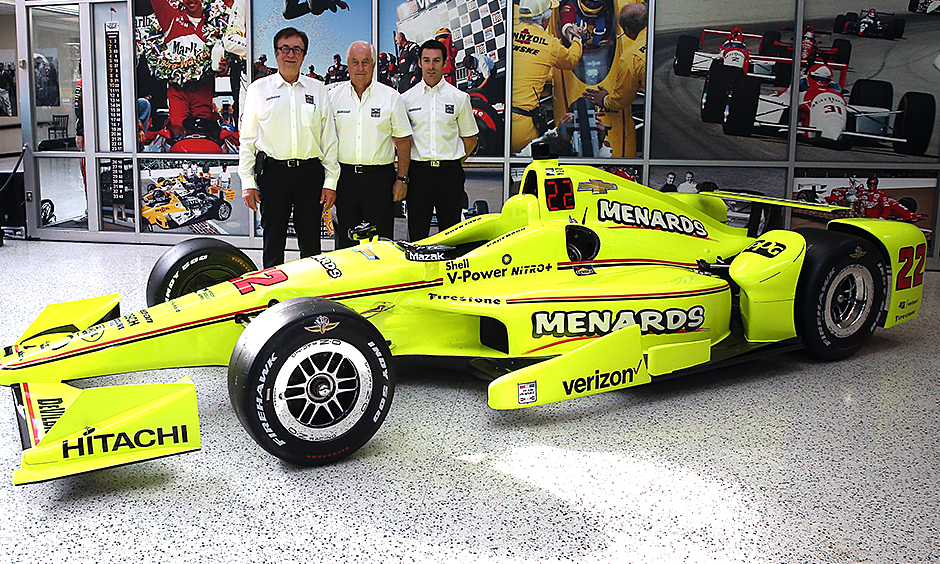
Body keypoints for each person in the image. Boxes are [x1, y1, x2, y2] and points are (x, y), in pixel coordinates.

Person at [238, 27, 339, 268]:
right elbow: (248, 139)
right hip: (273, 174)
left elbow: (330, 140)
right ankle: (274, 298)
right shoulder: (258, 90)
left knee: (311, 243)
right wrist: (247, 182)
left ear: (304, 55)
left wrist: (330, 182)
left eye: (297, 49)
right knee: (273, 241)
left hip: (309, 174)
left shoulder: (318, 90)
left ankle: (312, 296)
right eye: (285, 48)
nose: (290, 54)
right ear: (276, 53)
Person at [329, 41, 412, 248]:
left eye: (365, 62)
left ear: (374, 65)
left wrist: (402, 179)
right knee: (346, 245)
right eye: (355, 62)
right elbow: (325, 142)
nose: (360, 68)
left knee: (381, 244)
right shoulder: (332, 98)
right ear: (347, 64)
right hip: (345, 180)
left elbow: (403, 141)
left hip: (379, 180)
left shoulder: (391, 97)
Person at [402, 39, 478, 241]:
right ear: (419, 62)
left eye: (436, 61)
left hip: (449, 175)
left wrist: (452, 162)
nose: (431, 66)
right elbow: (401, 141)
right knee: (418, 238)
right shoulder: (406, 99)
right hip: (418, 175)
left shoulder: (459, 98)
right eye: (426, 60)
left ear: (444, 63)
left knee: (451, 238)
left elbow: (470, 139)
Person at [145, 0, 231, 140]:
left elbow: (222, 64)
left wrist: (222, 68)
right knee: (179, 134)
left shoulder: (215, 22)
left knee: (204, 137)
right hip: (178, 91)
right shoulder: (171, 18)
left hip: (204, 90)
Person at [510, 0, 585, 154]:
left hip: (497, 121)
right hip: (522, 130)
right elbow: (571, 60)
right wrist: (578, 39)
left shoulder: (508, 33)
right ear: (545, 20)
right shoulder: (551, 44)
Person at [581, 1, 648, 158]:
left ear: (626, 30)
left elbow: (621, 99)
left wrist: (605, 100)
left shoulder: (630, 58)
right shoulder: (653, 39)